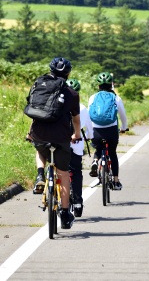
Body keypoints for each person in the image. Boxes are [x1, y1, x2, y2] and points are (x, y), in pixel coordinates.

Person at [27, 57, 82, 229]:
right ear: (68, 73)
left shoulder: (38, 85)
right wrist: (77, 135)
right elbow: (76, 120)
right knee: (64, 174)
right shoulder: (72, 94)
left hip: (39, 134)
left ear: (50, 70)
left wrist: (30, 133)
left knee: (40, 149)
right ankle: (65, 215)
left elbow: (35, 110)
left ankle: (39, 175)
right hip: (61, 138)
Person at [87, 72, 128, 190]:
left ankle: (95, 161)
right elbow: (123, 116)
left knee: (98, 147)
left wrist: (90, 131)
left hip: (96, 131)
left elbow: (89, 116)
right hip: (111, 131)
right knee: (112, 153)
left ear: (98, 86)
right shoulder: (116, 97)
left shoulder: (93, 97)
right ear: (111, 85)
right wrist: (124, 127)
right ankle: (115, 181)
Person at [66, 78, 93, 218]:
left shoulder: (60, 105)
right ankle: (77, 203)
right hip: (76, 144)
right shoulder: (82, 107)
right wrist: (89, 136)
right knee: (76, 172)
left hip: (61, 142)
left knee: (61, 170)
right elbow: (90, 128)